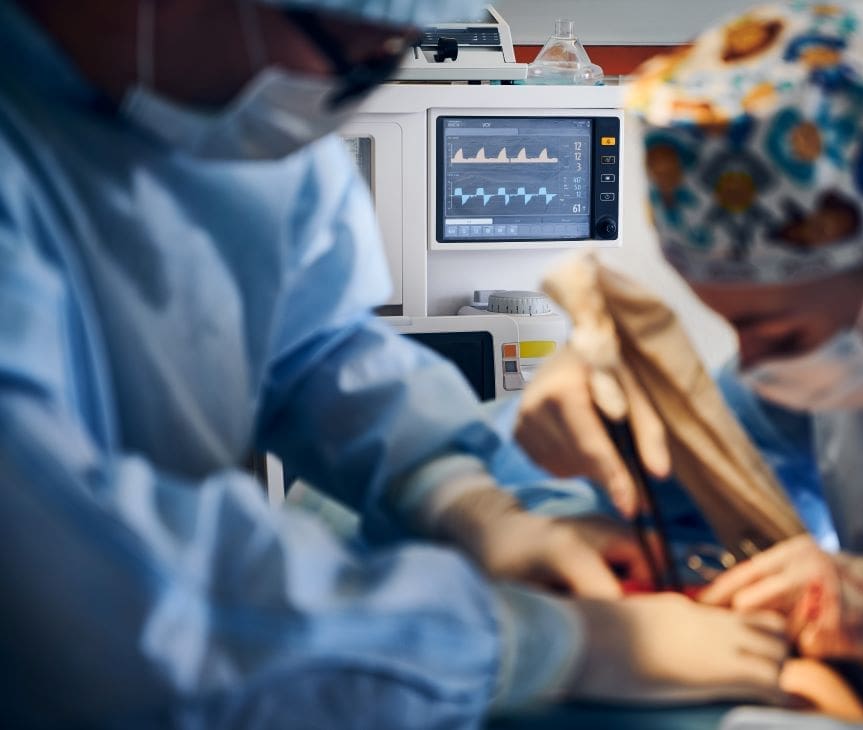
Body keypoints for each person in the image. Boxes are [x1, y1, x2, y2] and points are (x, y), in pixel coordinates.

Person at [0, 0, 796, 726]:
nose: (352, 95)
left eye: (389, 61)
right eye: (348, 52)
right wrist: (539, 645)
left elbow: (319, 343)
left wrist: (461, 496)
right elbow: (91, 614)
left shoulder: (237, 124)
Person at [516, 1, 863, 727]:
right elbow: (701, 483)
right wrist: (596, 436)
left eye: (781, 335)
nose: (756, 365)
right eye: (735, 328)